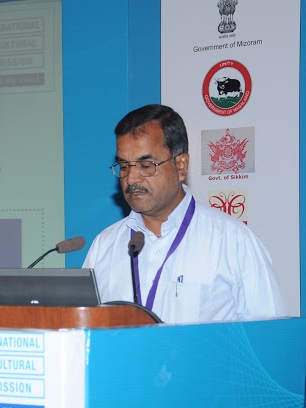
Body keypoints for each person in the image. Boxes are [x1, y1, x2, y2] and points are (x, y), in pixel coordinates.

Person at [83, 104, 287, 323]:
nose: (131, 178)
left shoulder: (233, 241)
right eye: (124, 166)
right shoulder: (104, 246)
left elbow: (272, 336)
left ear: (180, 165)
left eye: (146, 165)